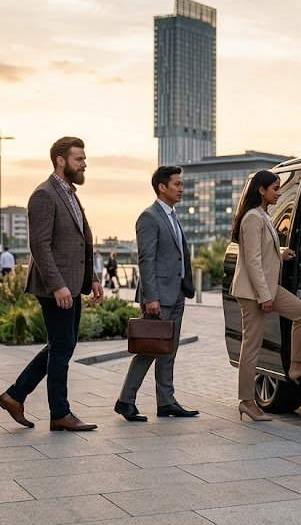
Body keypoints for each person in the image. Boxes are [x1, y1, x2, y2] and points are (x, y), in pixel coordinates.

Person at [0, 136, 103, 432]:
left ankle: (15, 396)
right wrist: (57, 285)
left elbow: (79, 242)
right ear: (61, 160)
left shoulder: (70, 193)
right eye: (79, 159)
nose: (84, 164)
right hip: (54, 287)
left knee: (61, 345)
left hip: (71, 284)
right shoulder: (44, 194)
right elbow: (39, 246)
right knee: (62, 345)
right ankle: (60, 414)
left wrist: (92, 278)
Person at [230, 170, 301, 421]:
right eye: (275, 188)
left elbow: (261, 252)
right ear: (261, 190)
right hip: (254, 293)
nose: (279, 192)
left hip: (267, 287)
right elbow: (252, 261)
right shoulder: (252, 217)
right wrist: (264, 297)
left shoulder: (262, 215)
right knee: (251, 347)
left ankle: (296, 366)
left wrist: (279, 254)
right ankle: (247, 401)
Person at [115, 166, 199, 422]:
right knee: (149, 350)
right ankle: (125, 401)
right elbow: (146, 259)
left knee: (169, 350)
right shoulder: (149, 217)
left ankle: (166, 402)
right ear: (162, 187)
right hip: (159, 297)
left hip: (177, 293)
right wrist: (151, 297)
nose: (181, 188)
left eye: (182, 184)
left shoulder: (172, 216)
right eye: (177, 184)